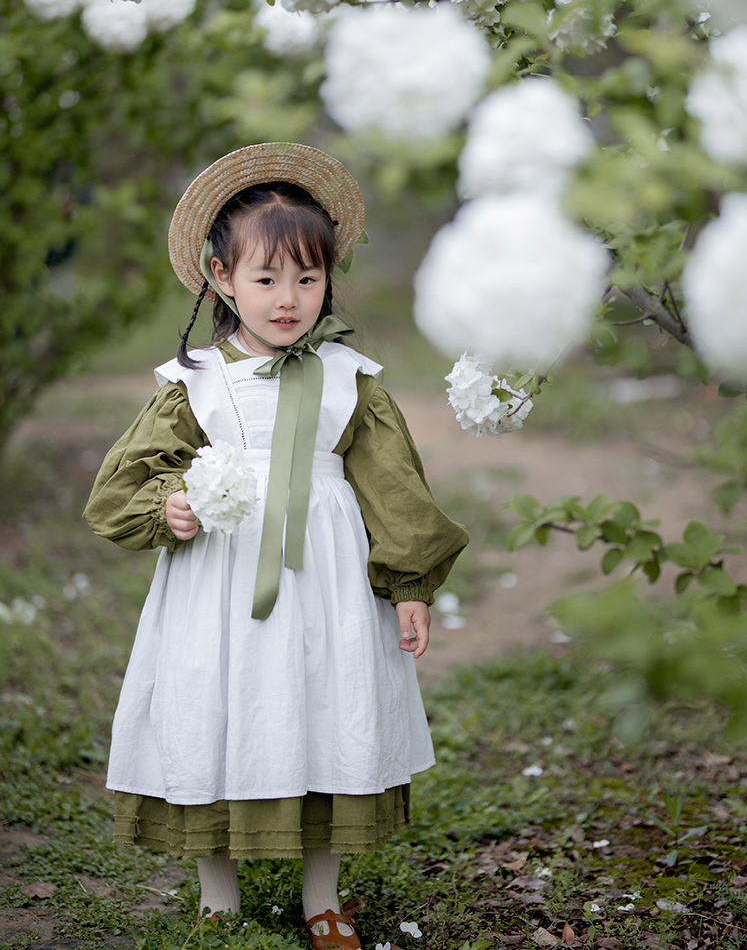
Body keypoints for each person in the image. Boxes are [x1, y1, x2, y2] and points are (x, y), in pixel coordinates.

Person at [84, 142, 468, 950]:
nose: (287, 298)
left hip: (326, 587)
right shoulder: (194, 381)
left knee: (326, 707)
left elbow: (393, 487)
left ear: (328, 277)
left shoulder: (349, 378)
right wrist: (173, 503)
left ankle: (321, 896)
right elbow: (122, 486)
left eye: (306, 277)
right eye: (265, 279)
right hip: (219, 586)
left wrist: (409, 584)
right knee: (216, 708)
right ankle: (216, 898)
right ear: (222, 277)